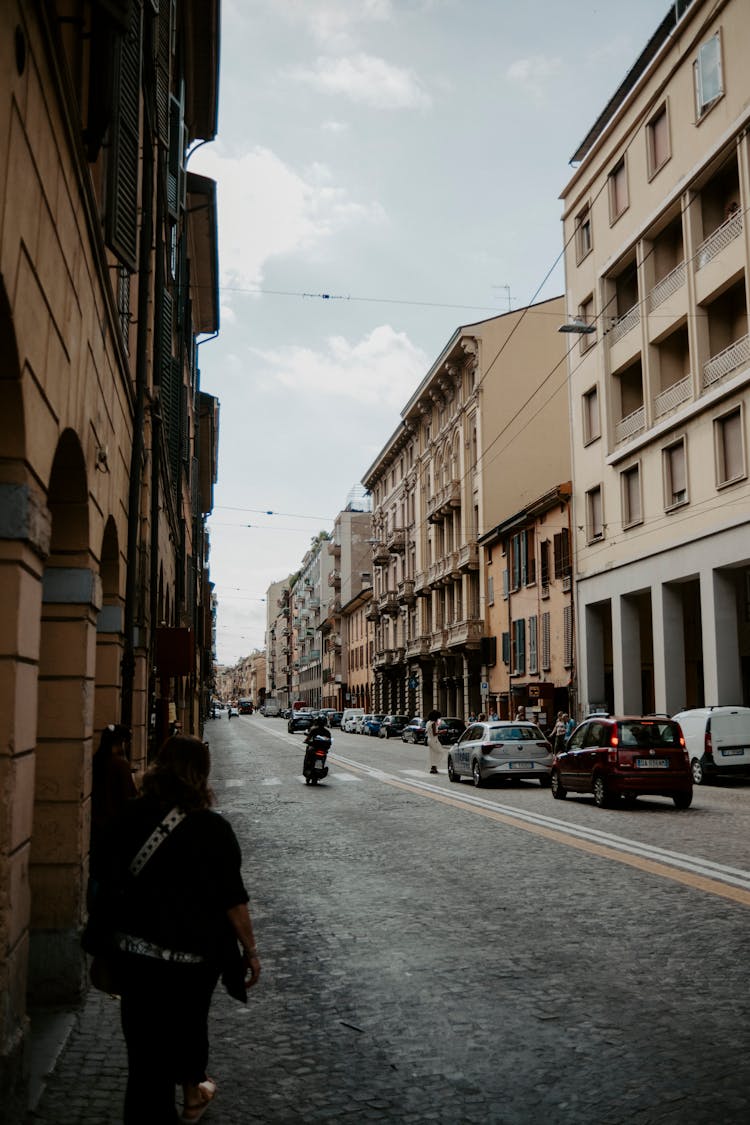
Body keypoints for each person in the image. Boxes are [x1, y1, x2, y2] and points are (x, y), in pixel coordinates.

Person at [95, 734, 261, 1124]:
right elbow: (233, 901)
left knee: (143, 1063)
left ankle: (172, 1102)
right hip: (192, 963)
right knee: (188, 1028)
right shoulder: (213, 829)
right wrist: (250, 952)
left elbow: (104, 875)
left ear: (158, 767)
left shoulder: (129, 817)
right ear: (201, 776)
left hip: (135, 957)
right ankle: (191, 1093)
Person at [90, 724, 137, 894]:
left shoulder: (96, 761)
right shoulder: (120, 765)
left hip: (96, 826)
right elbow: (129, 798)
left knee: (96, 872)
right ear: (121, 743)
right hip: (115, 829)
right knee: (111, 874)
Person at [426, 710, 442, 774]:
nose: (439, 718)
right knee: (440, 753)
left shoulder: (428, 723)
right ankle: (434, 767)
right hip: (434, 740)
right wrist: (441, 732)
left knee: (433, 754)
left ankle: (433, 768)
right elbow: (435, 733)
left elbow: (427, 731)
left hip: (429, 739)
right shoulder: (433, 723)